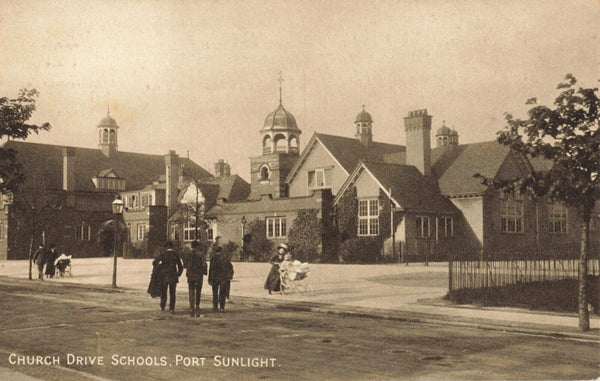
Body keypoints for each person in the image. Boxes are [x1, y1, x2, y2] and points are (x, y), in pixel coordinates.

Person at [152, 241, 183, 313]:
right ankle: (172, 308)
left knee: (164, 291)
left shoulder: (163, 254)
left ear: (166, 247)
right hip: (173, 276)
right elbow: (180, 266)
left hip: (164, 276)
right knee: (172, 292)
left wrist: (159, 267)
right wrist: (178, 274)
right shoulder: (175, 255)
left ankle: (162, 305)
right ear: (172, 247)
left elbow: (154, 262)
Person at [208, 246, 234, 312]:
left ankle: (215, 305)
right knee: (222, 292)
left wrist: (209, 278)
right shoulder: (225, 258)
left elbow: (210, 269)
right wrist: (229, 276)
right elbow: (230, 267)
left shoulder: (213, 258)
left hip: (214, 277)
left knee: (215, 292)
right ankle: (222, 307)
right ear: (221, 251)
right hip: (223, 277)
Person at [186, 240, 207, 317]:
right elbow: (204, 264)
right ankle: (197, 305)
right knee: (198, 290)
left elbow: (185, 264)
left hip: (191, 274)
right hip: (198, 274)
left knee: (191, 290)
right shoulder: (201, 254)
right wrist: (204, 272)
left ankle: (191, 306)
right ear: (198, 246)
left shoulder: (187, 254)